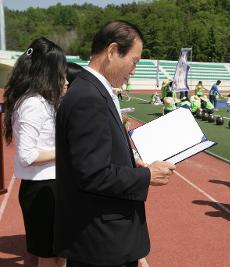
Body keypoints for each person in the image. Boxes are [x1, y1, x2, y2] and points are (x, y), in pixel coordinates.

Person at [54, 20, 176, 267]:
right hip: (101, 242)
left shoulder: (92, 90)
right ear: (111, 52)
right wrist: (146, 176)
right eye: (134, 61)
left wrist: (133, 162)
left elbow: (95, 159)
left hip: (102, 237)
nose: (134, 70)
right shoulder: (89, 97)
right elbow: (92, 173)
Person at [3, 37, 68, 267]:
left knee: (59, 255)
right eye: (61, 72)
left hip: (50, 186)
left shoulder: (42, 101)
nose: (65, 79)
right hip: (42, 191)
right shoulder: (32, 104)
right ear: (46, 71)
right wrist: (66, 151)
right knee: (48, 259)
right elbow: (27, 156)